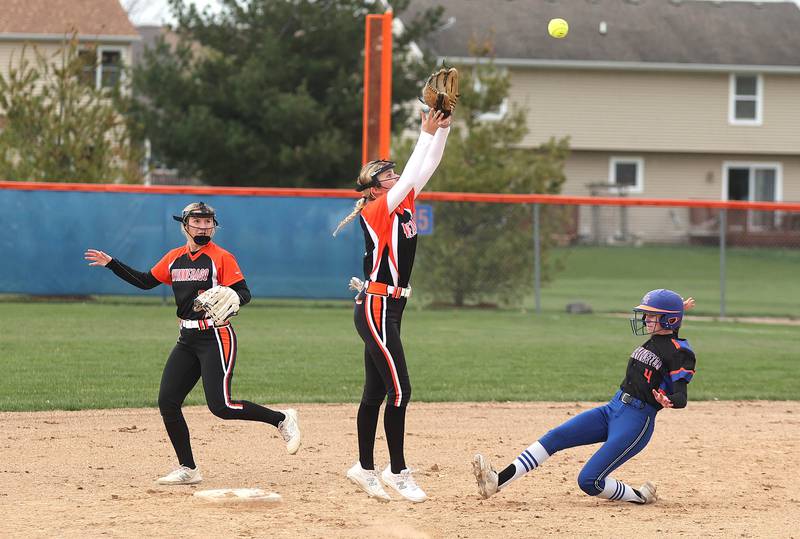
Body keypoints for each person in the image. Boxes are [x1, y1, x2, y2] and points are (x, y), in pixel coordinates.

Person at [84, 202, 301, 485]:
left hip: (216, 336)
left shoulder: (221, 257)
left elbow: (244, 293)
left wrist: (234, 297)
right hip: (187, 339)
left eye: (208, 222)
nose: (203, 227)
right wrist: (112, 263)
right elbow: (146, 281)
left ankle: (282, 419)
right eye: (197, 222)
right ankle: (188, 468)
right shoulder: (175, 258)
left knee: (221, 407)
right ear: (185, 226)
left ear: (214, 227)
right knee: (168, 402)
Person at [472, 289, 697, 505]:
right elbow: (668, 326)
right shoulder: (657, 338)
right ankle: (497, 481)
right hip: (613, 408)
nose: (646, 319)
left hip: (636, 421)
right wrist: (676, 307)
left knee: (589, 481)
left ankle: (640, 497)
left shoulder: (680, 352)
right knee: (555, 437)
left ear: (669, 320)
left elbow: (681, 397)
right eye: (646, 313)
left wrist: (669, 400)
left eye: (652, 315)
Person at [333, 109, 452, 502]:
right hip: (377, 307)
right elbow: (416, 165)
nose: (396, 176)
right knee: (400, 391)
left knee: (375, 392)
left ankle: (363, 468)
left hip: (391, 308)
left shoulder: (402, 203)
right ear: (373, 189)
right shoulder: (377, 210)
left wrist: (442, 130)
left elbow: (427, 165)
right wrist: (424, 132)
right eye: (388, 175)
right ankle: (397, 471)